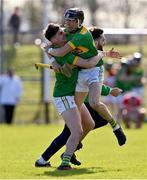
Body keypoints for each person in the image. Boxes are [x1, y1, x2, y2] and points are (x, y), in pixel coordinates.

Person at [35, 24, 124, 169]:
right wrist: (103, 54)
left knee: (89, 124)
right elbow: (89, 63)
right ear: (54, 40)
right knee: (75, 131)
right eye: (59, 33)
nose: (63, 33)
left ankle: (46, 159)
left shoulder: (66, 44)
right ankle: (63, 162)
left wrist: (52, 59)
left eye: (62, 31)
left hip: (74, 96)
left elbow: (46, 46)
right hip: (64, 95)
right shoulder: (66, 54)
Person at [46, 8, 126, 145]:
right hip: (82, 69)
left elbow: (60, 52)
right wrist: (52, 60)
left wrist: (52, 53)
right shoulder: (66, 32)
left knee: (94, 103)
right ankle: (73, 148)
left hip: (94, 68)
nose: (68, 24)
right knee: (77, 109)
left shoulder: (82, 35)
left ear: (79, 21)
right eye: (67, 20)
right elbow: (46, 45)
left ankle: (116, 127)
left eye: (71, 21)